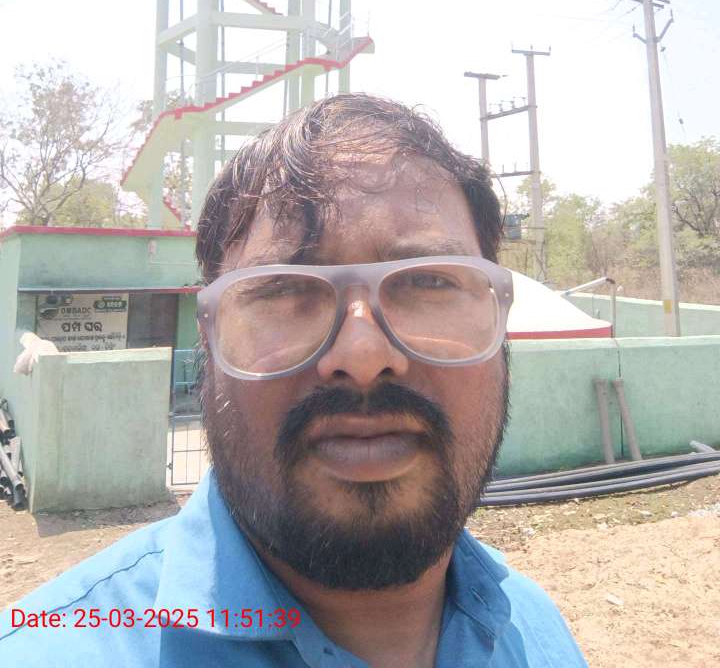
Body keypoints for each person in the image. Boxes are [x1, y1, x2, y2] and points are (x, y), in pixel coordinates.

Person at [0, 93, 587, 667]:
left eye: (428, 281)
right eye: (284, 288)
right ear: (209, 339)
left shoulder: (538, 631)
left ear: (501, 320)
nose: (362, 355)